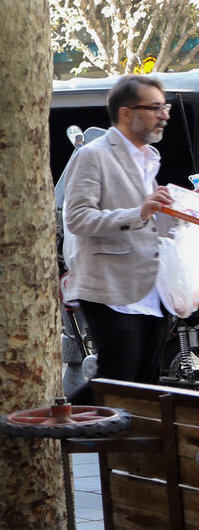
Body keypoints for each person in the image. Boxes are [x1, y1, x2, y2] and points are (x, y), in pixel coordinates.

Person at [63, 74, 176, 405]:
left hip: (152, 291)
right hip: (110, 289)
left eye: (165, 107)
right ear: (127, 113)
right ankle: (55, 426)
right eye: (155, 107)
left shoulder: (148, 158)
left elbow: (150, 223)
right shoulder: (93, 155)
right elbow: (78, 218)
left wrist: (182, 209)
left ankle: (128, 448)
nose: (164, 115)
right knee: (117, 384)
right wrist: (139, 212)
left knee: (145, 389)